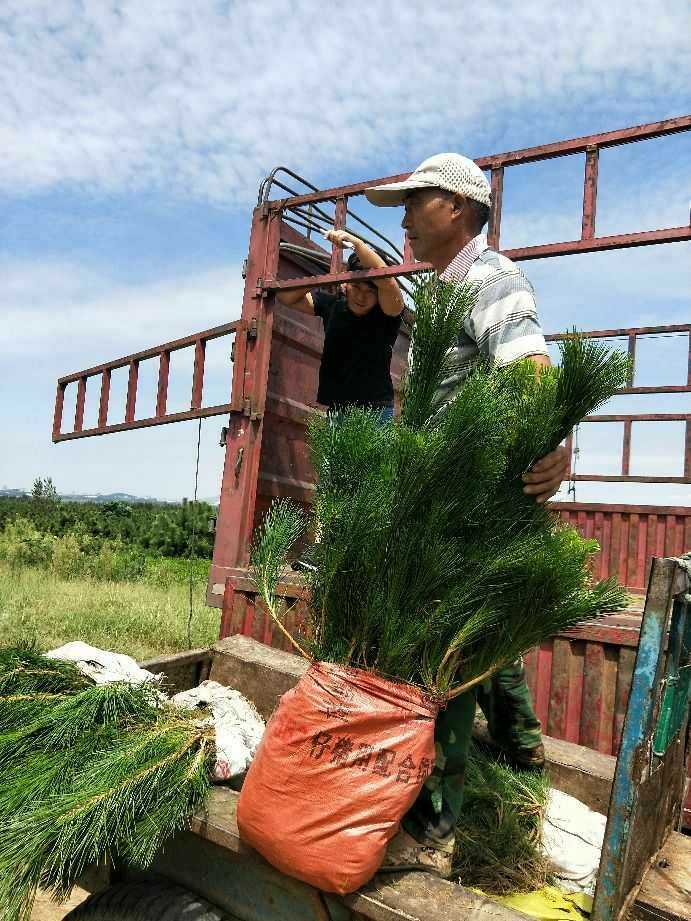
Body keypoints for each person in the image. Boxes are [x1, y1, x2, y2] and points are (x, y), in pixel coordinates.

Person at [364, 153, 571, 876]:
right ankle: (525, 766)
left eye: (413, 201)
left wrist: (554, 447)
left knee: (445, 653)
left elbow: (530, 375)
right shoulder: (442, 297)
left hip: (470, 508)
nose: (402, 217)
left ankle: (431, 824)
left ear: (455, 206)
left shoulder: (491, 280)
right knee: (487, 646)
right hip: (440, 506)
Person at [275, 230, 404, 422]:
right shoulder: (332, 304)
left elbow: (387, 281)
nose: (361, 297)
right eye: (357, 287)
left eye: (370, 291)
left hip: (375, 412)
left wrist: (357, 244)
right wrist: (326, 277)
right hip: (338, 411)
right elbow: (285, 297)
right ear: (346, 284)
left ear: (378, 294)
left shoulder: (387, 313)